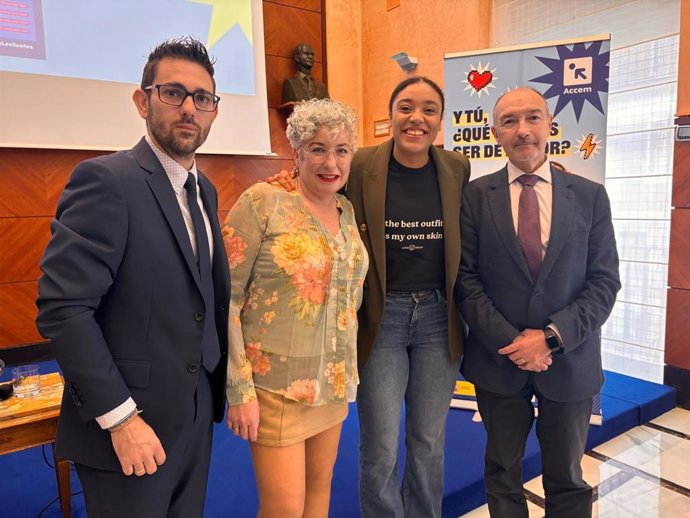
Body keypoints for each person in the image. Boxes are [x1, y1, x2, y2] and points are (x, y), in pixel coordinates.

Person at [35, 36, 230, 518]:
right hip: (128, 424)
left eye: (202, 98)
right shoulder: (105, 180)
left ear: (213, 112)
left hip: (194, 414)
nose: (189, 108)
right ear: (142, 100)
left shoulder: (204, 189)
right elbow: (64, 309)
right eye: (173, 93)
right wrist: (122, 420)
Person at [270, 76, 470, 518]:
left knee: (429, 440)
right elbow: (315, 192)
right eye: (406, 107)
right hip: (383, 316)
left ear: (440, 120)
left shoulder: (457, 168)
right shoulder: (358, 164)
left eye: (429, 109)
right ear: (391, 115)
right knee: (379, 443)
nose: (416, 118)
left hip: (440, 316)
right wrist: (285, 182)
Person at [458, 87, 621, 518]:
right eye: (509, 121)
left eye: (532, 118)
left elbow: (604, 282)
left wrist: (549, 338)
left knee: (567, 477)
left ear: (550, 125)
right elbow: (465, 280)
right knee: (501, 473)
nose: (522, 130)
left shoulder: (589, 196)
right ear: (495, 132)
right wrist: (515, 342)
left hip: (570, 361)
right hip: (499, 361)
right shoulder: (474, 198)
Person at [223, 98, 368, 518]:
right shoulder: (262, 202)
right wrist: (239, 389)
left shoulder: (344, 209)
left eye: (341, 150)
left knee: (319, 492)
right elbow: (224, 298)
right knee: (285, 507)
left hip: (331, 379)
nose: (331, 161)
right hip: (275, 385)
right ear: (296, 152)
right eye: (318, 148)